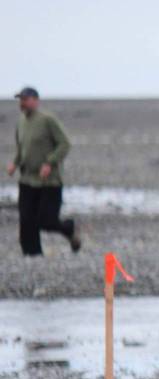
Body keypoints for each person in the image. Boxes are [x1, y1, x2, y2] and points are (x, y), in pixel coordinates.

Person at [6, 86, 81, 256]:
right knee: (26, 219)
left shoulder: (48, 120)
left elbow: (65, 144)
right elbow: (22, 148)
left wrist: (50, 162)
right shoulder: (21, 122)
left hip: (49, 181)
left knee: (46, 221)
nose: (22, 103)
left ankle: (69, 230)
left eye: (25, 99)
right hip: (27, 179)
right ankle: (32, 254)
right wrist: (15, 163)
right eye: (20, 100)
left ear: (35, 100)